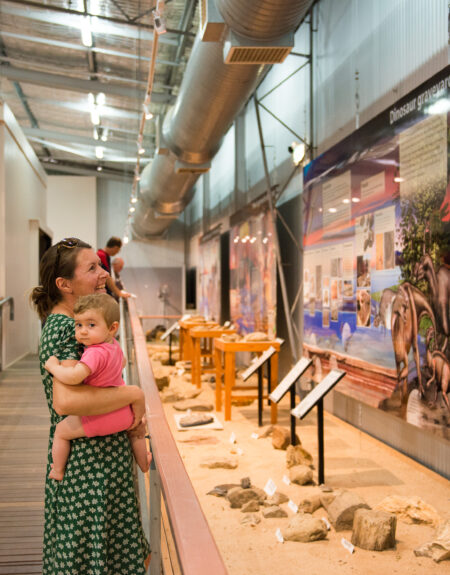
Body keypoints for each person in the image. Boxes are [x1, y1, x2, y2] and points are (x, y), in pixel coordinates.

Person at [31, 237, 150, 574]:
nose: (102, 273)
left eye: (100, 265)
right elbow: (66, 400)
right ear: (64, 284)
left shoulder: (79, 321)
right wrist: (133, 395)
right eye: (92, 268)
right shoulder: (70, 329)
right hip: (88, 468)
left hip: (98, 462)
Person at [45, 293, 150, 481]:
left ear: (112, 328)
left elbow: (74, 377)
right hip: (125, 411)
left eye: (91, 325)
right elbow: (123, 362)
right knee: (136, 434)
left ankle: (58, 470)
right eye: (79, 325)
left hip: (102, 416)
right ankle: (143, 463)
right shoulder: (115, 345)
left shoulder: (93, 353)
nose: (83, 331)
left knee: (61, 432)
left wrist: (54, 367)